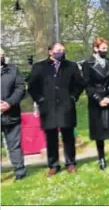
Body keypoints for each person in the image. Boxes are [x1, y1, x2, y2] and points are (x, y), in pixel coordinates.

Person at [27, 42, 85, 176]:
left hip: (66, 106)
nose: (61, 52)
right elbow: (32, 86)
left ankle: (70, 163)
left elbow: (80, 84)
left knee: (68, 136)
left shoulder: (71, 66)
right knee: (51, 137)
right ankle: (53, 165)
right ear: (50, 51)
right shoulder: (39, 67)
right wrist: (40, 99)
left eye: (63, 50)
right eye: (59, 50)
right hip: (48, 107)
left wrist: (73, 97)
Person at [81, 37, 109, 171]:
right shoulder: (87, 64)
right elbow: (87, 84)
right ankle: (101, 158)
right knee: (99, 131)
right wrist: (98, 98)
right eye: (103, 48)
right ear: (96, 48)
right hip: (95, 100)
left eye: (106, 48)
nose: (105, 51)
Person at [0, 48, 27, 180]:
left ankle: (20, 172)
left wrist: (9, 103)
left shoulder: (13, 70)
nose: (1, 57)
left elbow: (20, 88)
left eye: (2, 55)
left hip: (11, 114)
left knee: (14, 145)